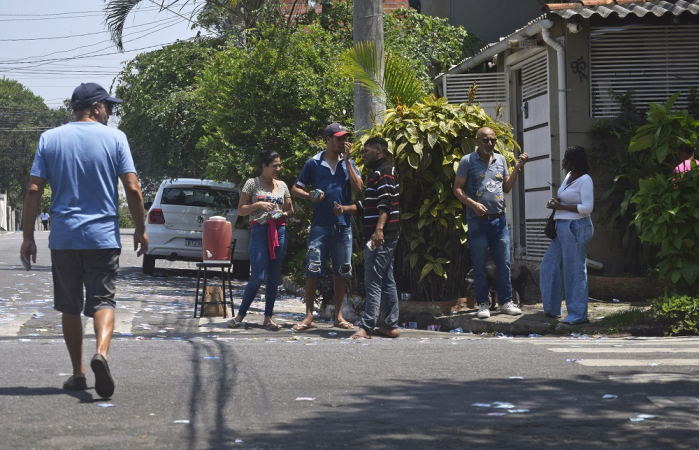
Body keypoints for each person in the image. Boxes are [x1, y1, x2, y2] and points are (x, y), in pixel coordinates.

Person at [20, 82, 148, 398]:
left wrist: (27, 237)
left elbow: (34, 189)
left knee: (70, 306)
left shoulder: (49, 139)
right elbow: (132, 189)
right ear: (95, 107)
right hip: (102, 237)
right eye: (108, 107)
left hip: (63, 238)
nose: (110, 113)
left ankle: (78, 374)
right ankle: (101, 354)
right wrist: (141, 230)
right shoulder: (116, 139)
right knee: (103, 301)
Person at [290, 123, 363, 330]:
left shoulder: (348, 162)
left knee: (342, 271)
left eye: (344, 138)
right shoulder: (313, 163)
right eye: (339, 138)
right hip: (319, 226)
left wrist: (348, 162)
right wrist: (310, 196)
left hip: (343, 226)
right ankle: (308, 317)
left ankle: (339, 316)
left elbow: (358, 188)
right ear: (328, 140)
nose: (343, 142)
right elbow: (296, 188)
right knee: (312, 270)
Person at [453, 127, 528, 319]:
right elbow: (457, 189)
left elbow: (507, 188)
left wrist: (517, 167)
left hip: (499, 220)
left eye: (493, 140)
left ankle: (505, 302)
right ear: (477, 141)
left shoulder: (500, 159)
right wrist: (473, 204)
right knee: (479, 264)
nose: (489, 144)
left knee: (503, 263)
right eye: (485, 140)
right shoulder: (467, 161)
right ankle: (483, 304)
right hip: (477, 221)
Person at [332, 137, 400, 339]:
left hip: (381, 235)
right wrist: (344, 209)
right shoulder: (379, 174)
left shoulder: (384, 172)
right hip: (383, 234)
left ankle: (367, 327)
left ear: (378, 150)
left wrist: (379, 230)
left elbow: (385, 204)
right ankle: (390, 325)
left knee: (372, 279)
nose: (363, 155)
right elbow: (367, 205)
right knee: (386, 279)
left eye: (366, 151)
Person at [228, 150, 294, 331]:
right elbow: (241, 210)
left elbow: (290, 211)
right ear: (264, 166)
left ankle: (268, 318)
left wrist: (282, 213)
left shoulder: (282, 185)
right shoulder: (251, 184)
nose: (278, 169)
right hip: (259, 231)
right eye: (275, 166)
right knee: (257, 277)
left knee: (273, 277)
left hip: (279, 231)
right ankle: (239, 316)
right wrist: (258, 205)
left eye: (280, 165)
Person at [540, 145, 594, 325]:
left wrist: (560, 207)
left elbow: (587, 208)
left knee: (574, 271)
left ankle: (578, 315)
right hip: (561, 227)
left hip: (576, 227)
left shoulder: (585, 180)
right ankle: (552, 309)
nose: (563, 162)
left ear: (575, 161)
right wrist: (555, 202)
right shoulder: (569, 177)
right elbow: (564, 199)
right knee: (549, 265)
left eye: (566, 159)